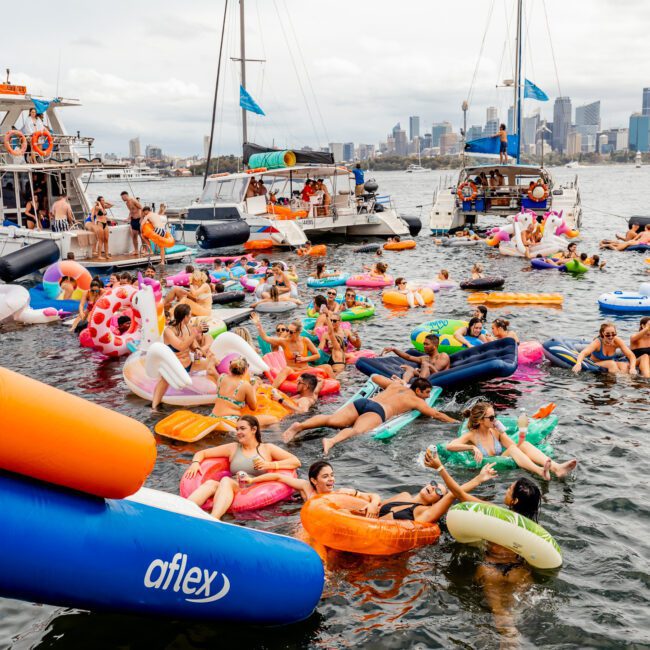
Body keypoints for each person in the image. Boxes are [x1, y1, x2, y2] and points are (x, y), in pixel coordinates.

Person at [425, 450, 545, 642]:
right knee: (513, 613)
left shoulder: (496, 513)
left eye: (509, 489)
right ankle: (511, 640)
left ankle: (508, 643)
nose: (506, 490)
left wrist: (439, 467)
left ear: (513, 501)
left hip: (491, 569)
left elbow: (458, 493)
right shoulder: (534, 529)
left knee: (498, 612)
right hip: (519, 571)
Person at [283, 375, 457, 452]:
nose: (427, 397)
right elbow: (437, 415)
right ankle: (331, 441)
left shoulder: (396, 386)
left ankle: (299, 426)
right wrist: (453, 422)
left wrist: (398, 382)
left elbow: (374, 378)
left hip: (364, 403)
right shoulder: (416, 401)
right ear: (418, 390)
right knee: (356, 430)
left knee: (331, 420)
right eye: (426, 393)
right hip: (378, 411)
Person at [183, 416, 301, 520]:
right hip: (234, 483)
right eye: (237, 429)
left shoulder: (267, 448)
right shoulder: (233, 448)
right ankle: (181, 511)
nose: (238, 432)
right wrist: (195, 463)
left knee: (226, 481)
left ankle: (214, 519)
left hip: (253, 487)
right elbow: (202, 453)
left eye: (242, 428)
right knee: (211, 484)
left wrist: (270, 465)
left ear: (254, 430)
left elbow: (296, 461)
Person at [444, 401, 577, 480]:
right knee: (515, 449)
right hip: (487, 471)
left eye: (494, 416)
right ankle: (539, 470)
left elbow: (515, 447)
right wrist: (472, 447)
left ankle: (556, 468)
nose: (494, 420)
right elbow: (450, 446)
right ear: (480, 420)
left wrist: (510, 431)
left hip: (500, 459)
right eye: (491, 418)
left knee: (523, 444)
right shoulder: (472, 436)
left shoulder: (495, 431)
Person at [243, 460, 381, 514]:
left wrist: (373, 505)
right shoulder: (306, 488)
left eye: (332, 475)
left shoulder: (341, 493)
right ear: (314, 481)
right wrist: (251, 480)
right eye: (325, 476)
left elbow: (373, 496)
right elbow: (279, 477)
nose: (331, 479)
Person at [378, 462, 497, 523]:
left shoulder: (423, 511)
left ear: (437, 502)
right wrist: (373, 503)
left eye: (438, 491)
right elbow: (378, 506)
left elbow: (453, 494)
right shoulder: (404, 495)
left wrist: (478, 479)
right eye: (434, 484)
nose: (433, 488)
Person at [250, 313, 334, 388]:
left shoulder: (305, 340)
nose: (287, 333)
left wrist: (304, 359)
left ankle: (335, 386)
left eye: (291, 332)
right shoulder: (284, 342)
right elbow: (266, 338)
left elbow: (317, 355)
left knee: (328, 367)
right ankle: (272, 389)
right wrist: (258, 324)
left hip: (306, 368)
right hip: (292, 370)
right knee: (286, 369)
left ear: (298, 333)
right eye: (287, 330)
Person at [152, 304, 209, 410]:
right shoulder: (169, 331)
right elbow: (181, 346)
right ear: (185, 317)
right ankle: (154, 408)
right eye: (190, 315)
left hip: (188, 364)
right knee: (164, 381)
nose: (191, 317)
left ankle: (225, 392)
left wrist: (197, 350)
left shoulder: (187, 327)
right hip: (175, 368)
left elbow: (192, 344)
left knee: (211, 364)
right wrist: (196, 332)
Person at [211, 357, 279, 427]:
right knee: (274, 419)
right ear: (245, 370)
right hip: (231, 420)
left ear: (230, 368)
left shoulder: (221, 377)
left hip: (214, 416)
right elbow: (253, 407)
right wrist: (254, 386)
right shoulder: (245, 385)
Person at [572, 322, 637, 375]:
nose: (611, 337)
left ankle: (627, 385)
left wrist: (632, 368)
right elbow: (583, 353)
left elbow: (631, 355)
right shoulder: (597, 342)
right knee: (611, 363)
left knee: (624, 366)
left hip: (611, 363)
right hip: (595, 364)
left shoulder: (617, 341)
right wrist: (578, 364)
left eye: (613, 334)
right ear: (603, 334)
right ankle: (617, 384)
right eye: (608, 335)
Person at [382, 333, 451, 382]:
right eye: (424, 344)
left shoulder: (443, 356)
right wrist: (394, 349)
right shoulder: (425, 358)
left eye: (427, 344)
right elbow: (409, 357)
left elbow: (436, 370)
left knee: (425, 364)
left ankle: (420, 386)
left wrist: (419, 369)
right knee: (410, 369)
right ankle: (404, 382)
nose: (424, 346)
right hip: (425, 377)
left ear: (435, 345)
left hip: (439, 379)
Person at [121, 191, 146, 256]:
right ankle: (136, 250)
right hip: (133, 220)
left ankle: (144, 249)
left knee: (142, 236)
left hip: (139, 220)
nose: (122, 199)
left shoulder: (133, 200)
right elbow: (131, 211)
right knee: (134, 236)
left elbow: (141, 208)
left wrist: (141, 218)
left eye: (122, 197)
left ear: (126, 196)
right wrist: (128, 218)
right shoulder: (127, 203)